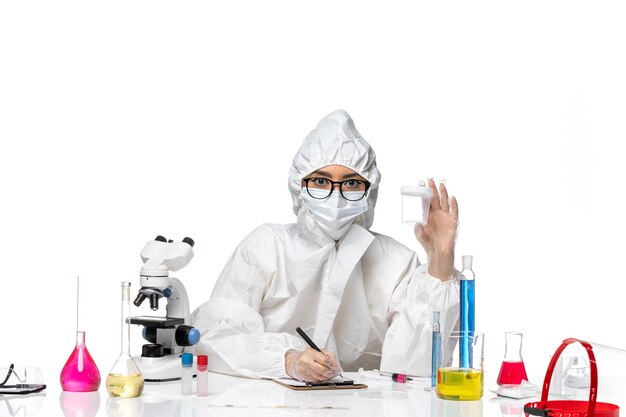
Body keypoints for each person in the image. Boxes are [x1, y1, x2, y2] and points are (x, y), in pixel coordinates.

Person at [192, 110, 460, 382]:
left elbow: (416, 368)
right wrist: (285, 360)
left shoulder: (396, 263)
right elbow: (214, 336)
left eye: (351, 183)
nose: (335, 196)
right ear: (300, 185)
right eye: (321, 181)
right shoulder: (267, 247)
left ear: (369, 191)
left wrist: (441, 259)